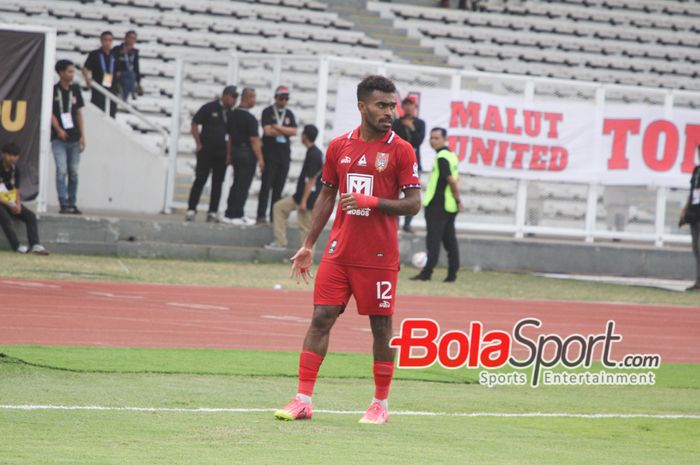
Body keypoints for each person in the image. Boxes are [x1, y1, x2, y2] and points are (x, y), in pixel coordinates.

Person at [274, 76, 421, 425]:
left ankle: (380, 404)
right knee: (321, 318)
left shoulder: (401, 149)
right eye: (381, 105)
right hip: (339, 253)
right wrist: (309, 244)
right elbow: (326, 194)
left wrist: (373, 201)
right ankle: (303, 399)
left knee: (381, 329)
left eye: (392, 105)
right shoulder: (340, 147)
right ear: (362, 107)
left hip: (379, 257)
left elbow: (414, 203)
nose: (389, 112)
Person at [410, 128, 462, 283]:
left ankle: (426, 273)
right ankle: (452, 274)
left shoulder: (442, 157)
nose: (433, 141)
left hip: (438, 205)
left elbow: (451, 181)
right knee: (449, 241)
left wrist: (458, 199)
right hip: (449, 205)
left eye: (437, 138)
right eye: (431, 138)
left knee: (433, 241)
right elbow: (456, 180)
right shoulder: (452, 155)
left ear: (445, 139)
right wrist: (457, 200)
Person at [185, 85, 239, 222]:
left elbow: (231, 136)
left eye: (236, 97)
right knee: (200, 179)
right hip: (206, 151)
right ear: (225, 95)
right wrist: (198, 143)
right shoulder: (210, 107)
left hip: (221, 154)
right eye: (233, 97)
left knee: (217, 183)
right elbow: (194, 123)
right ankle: (191, 209)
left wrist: (228, 155)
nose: (234, 100)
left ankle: (212, 211)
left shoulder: (231, 113)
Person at [265, 124, 322, 251]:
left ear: (305, 136)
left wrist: (304, 201)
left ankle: (306, 257)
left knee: (305, 228)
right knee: (279, 207)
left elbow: (311, 179)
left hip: (307, 198)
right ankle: (280, 242)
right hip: (300, 195)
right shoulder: (311, 151)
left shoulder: (314, 154)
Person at [223, 88, 264, 226]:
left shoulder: (232, 115)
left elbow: (229, 138)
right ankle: (238, 214)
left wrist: (229, 155)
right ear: (248, 98)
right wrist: (261, 158)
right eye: (253, 97)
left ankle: (229, 213)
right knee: (243, 185)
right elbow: (254, 140)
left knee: (236, 183)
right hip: (247, 153)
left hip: (235, 152)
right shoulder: (250, 118)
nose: (254, 100)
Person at [257, 85, 298, 224]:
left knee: (278, 189)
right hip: (270, 155)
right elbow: (267, 131)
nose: (284, 101)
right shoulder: (268, 111)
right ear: (275, 97)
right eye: (281, 98)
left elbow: (294, 131)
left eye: (286, 98)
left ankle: (274, 217)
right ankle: (261, 215)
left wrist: (278, 127)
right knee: (266, 186)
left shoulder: (289, 113)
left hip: (284, 156)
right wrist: (285, 130)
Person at [0, 143, 49, 255]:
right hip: (2, 203)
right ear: (4, 154)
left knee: (30, 216)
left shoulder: (15, 170)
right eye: (9, 155)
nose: (12, 158)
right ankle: (16, 246)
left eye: (15, 155)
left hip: (9, 201)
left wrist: (17, 204)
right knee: (5, 219)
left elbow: (16, 190)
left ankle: (35, 245)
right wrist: (9, 205)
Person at [51, 59, 85, 215]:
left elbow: (78, 112)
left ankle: (72, 202)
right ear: (61, 73)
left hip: (74, 137)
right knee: (61, 170)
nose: (72, 74)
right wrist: (58, 129)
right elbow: (50, 113)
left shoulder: (75, 89)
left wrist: (83, 136)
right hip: (59, 138)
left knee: (74, 171)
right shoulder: (53, 90)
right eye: (70, 71)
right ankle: (63, 203)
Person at [392, 96, 425, 234]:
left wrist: (411, 128)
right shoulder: (397, 122)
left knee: (412, 195)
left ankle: (407, 224)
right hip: (398, 161)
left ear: (415, 107)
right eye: (405, 104)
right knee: (394, 194)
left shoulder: (420, 123)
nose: (408, 107)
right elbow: (394, 140)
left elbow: (418, 141)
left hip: (414, 163)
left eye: (410, 104)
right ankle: (395, 223)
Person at [83, 31, 118, 118]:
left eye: (110, 40)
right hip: (98, 87)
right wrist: (87, 79)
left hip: (112, 88)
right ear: (101, 41)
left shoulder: (115, 54)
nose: (108, 42)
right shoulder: (95, 54)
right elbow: (85, 68)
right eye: (105, 40)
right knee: (97, 110)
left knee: (111, 112)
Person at [679, 149, 700, 291]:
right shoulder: (696, 170)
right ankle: (698, 281)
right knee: (695, 249)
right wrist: (685, 209)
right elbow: (692, 191)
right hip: (694, 212)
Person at [113, 30, 143, 102]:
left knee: (129, 79)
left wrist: (139, 83)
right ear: (125, 38)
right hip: (118, 73)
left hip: (128, 76)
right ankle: (132, 91)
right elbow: (112, 61)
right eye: (130, 38)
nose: (131, 40)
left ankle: (124, 99)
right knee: (131, 75)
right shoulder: (118, 49)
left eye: (134, 38)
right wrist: (121, 52)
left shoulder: (134, 52)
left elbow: (136, 67)